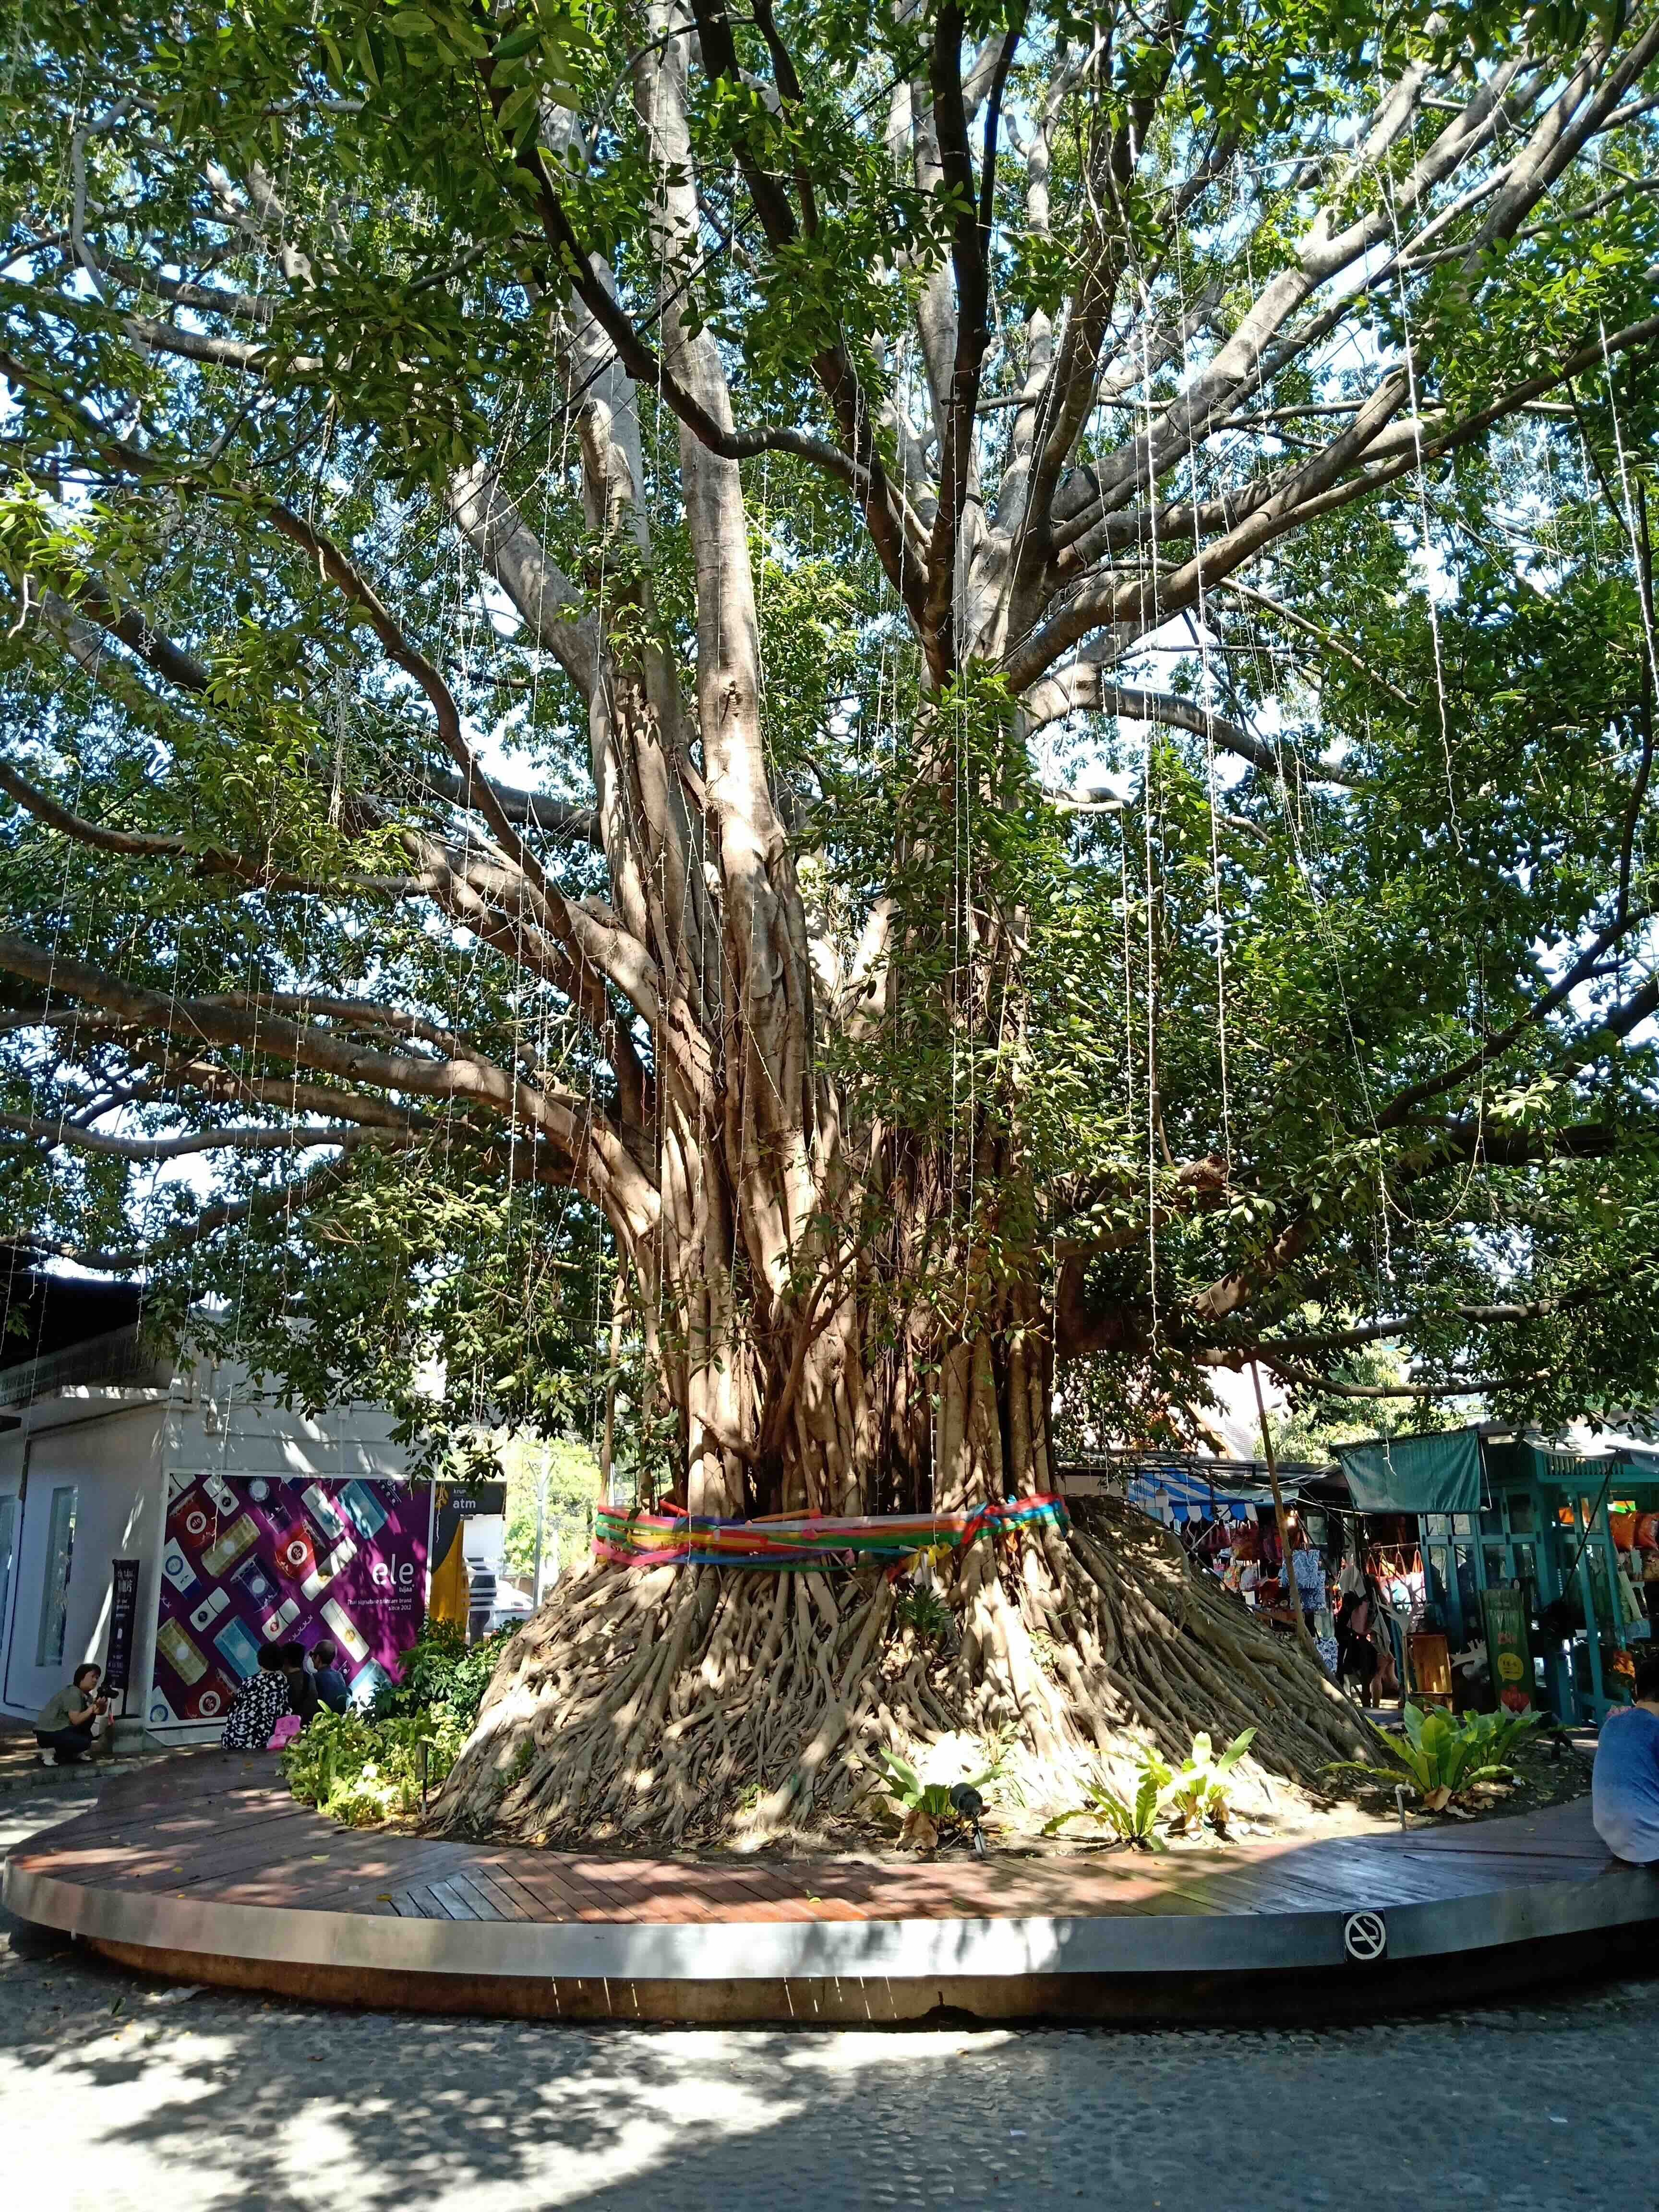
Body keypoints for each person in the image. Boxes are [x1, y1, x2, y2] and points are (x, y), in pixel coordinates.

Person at [1593, 1647, 1659, 1864]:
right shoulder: (1654, 1729)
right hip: (1651, 1845)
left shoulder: (1612, 1724)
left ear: (1638, 1688)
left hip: (1615, 1838)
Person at [220, 1646, 291, 1752]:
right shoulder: (281, 1682)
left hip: (237, 1738)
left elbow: (234, 1709)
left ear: (259, 1661)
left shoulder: (249, 1682)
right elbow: (283, 1711)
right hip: (263, 1739)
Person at [35, 1664, 108, 1765]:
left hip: (60, 1730)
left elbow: (98, 1712)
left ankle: (74, 1752)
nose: (95, 1680)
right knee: (84, 1742)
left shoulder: (86, 1695)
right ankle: (48, 1752)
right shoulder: (73, 1693)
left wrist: (102, 1704)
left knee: (86, 1735)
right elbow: (76, 1720)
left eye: (97, 1678)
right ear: (81, 1677)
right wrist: (92, 1708)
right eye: (92, 1676)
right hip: (48, 1733)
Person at [279, 1638, 319, 1731]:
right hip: (309, 1730)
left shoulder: (285, 1685)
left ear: (286, 1660)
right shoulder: (310, 1678)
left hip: (292, 1735)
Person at [310, 1636, 350, 1716]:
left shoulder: (315, 1679)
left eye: (313, 1655)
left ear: (318, 1658)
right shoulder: (339, 1676)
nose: (311, 1659)